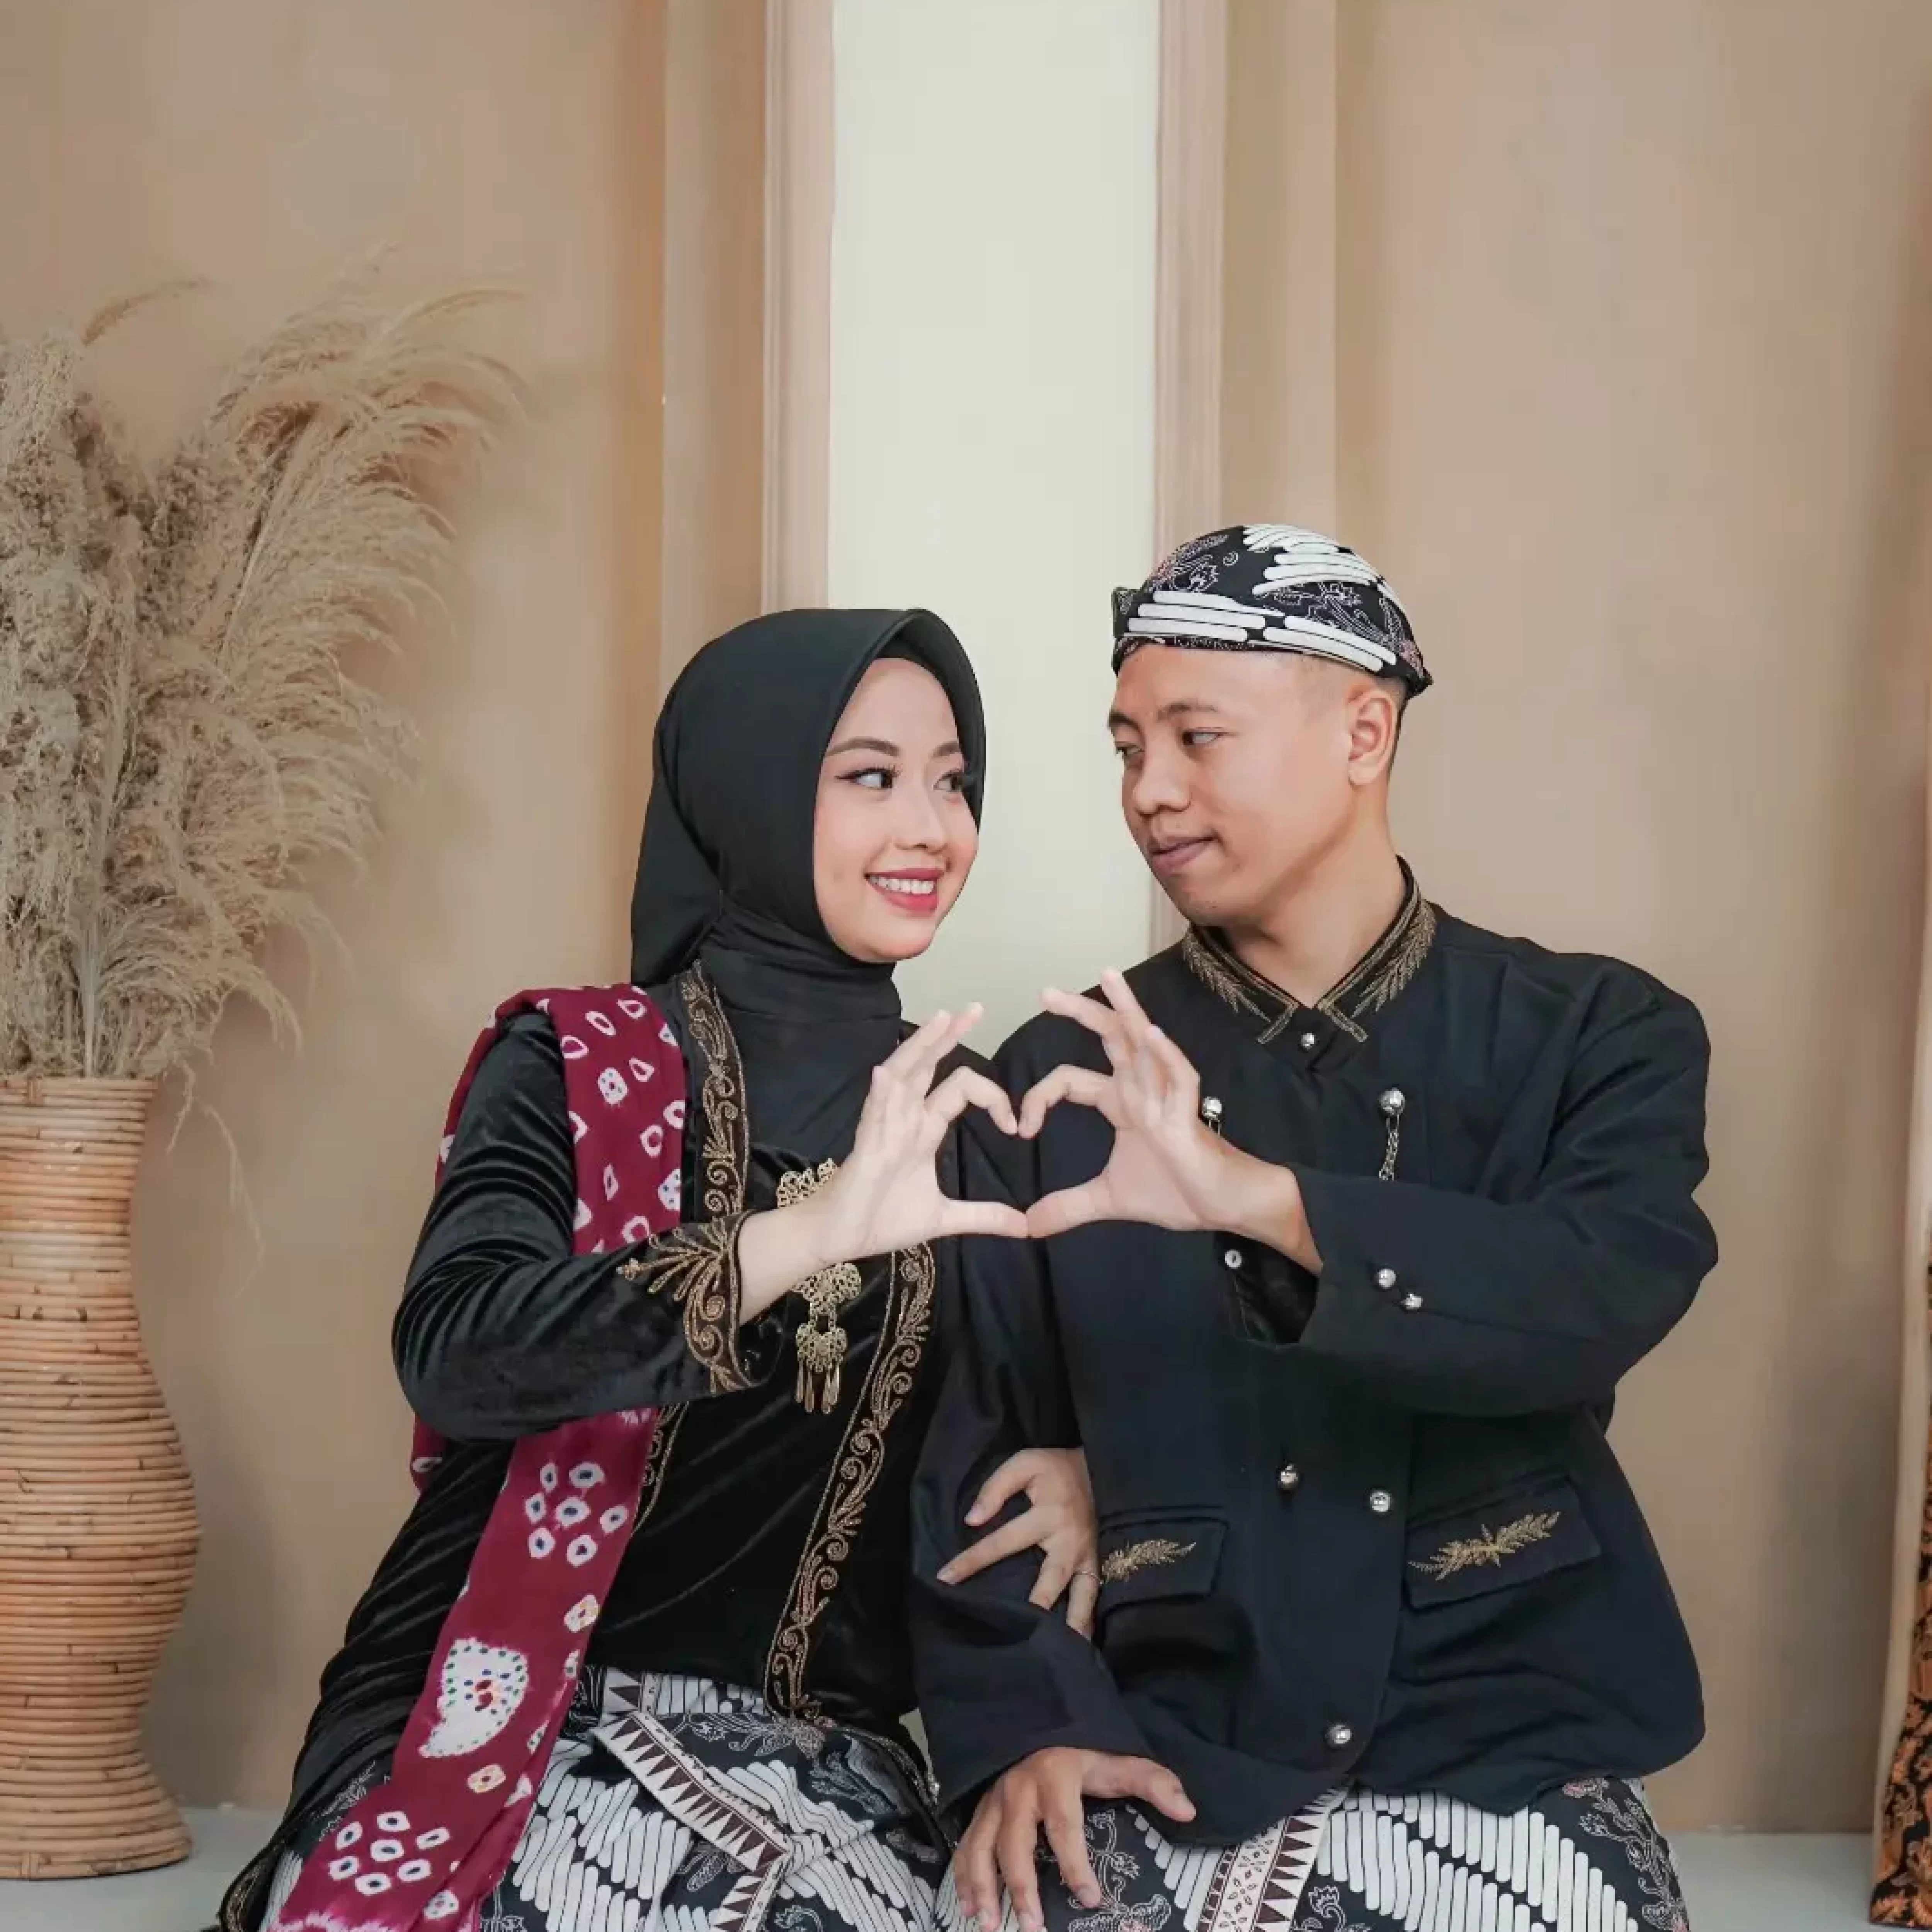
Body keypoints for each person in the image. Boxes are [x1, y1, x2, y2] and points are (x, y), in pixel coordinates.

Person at [223, 609, 1100, 1932]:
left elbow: (1047, 1413)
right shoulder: (579, 1063)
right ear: (748, 788)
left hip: (826, 1767)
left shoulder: (966, 1112)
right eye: (870, 776)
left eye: (952, 780)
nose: (930, 828)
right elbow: (458, 1351)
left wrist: (1093, 1471)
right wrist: (800, 1238)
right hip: (516, 1724)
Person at [911, 526, 1716, 1932]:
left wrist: (1254, 1200)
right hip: (1165, 1739)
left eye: (1197, 737)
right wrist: (1034, 1724)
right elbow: (975, 1447)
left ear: (1363, 732)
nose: (1149, 792)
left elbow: (1588, 1299)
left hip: (1511, 1728)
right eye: (1126, 749)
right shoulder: (1057, 1078)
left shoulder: (1597, 1034)